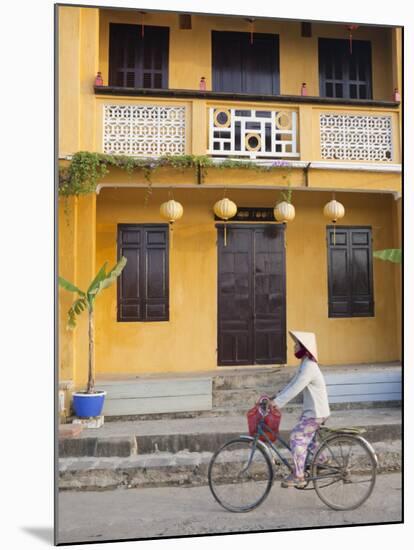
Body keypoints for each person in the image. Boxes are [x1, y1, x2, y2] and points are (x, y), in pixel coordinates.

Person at [272, 330, 330, 488]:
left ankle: (299, 476)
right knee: (307, 439)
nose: (294, 346)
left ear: (304, 347)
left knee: (296, 436)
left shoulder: (309, 367)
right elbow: (292, 384)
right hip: (313, 411)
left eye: (296, 344)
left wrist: (278, 403)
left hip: (316, 413)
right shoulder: (305, 364)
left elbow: (296, 388)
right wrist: (276, 397)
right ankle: (322, 460)